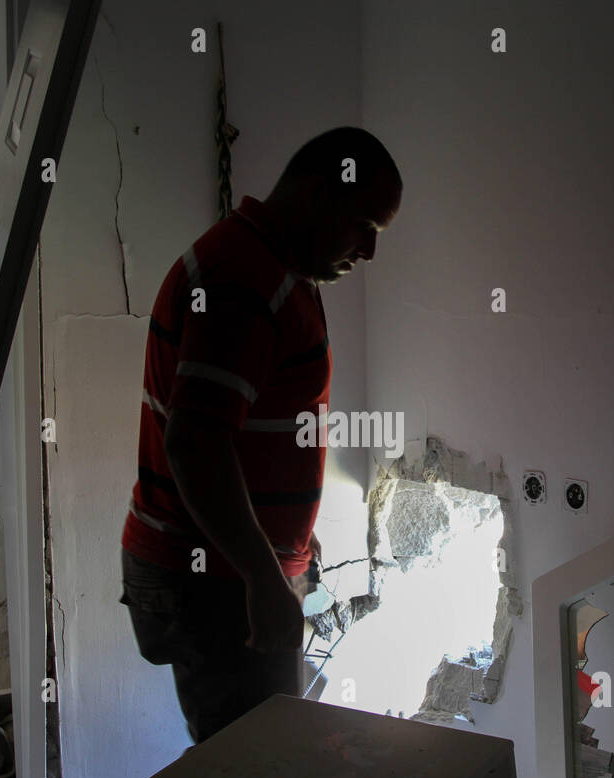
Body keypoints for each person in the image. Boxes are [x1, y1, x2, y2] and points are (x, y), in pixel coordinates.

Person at [118, 127, 403, 745]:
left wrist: (291, 538)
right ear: (319, 194)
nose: (370, 252)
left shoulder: (274, 267)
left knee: (257, 767)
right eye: (366, 227)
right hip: (215, 577)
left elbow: (248, 430)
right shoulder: (243, 279)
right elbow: (196, 442)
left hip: (229, 567)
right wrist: (261, 574)